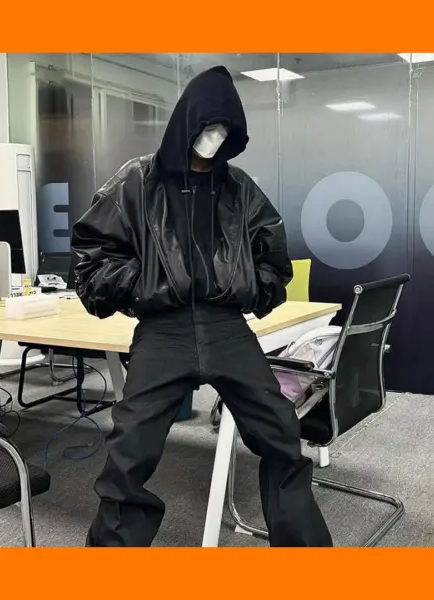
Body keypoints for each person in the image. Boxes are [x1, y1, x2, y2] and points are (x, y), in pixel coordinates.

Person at [71, 66, 333, 548]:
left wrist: (246, 287)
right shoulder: (136, 182)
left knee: (281, 433)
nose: (216, 138)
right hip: (163, 331)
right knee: (129, 449)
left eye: (226, 131)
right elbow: (91, 262)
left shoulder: (239, 189)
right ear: (186, 122)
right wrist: (147, 285)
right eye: (210, 126)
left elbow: (274, 261)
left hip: (226, 328)